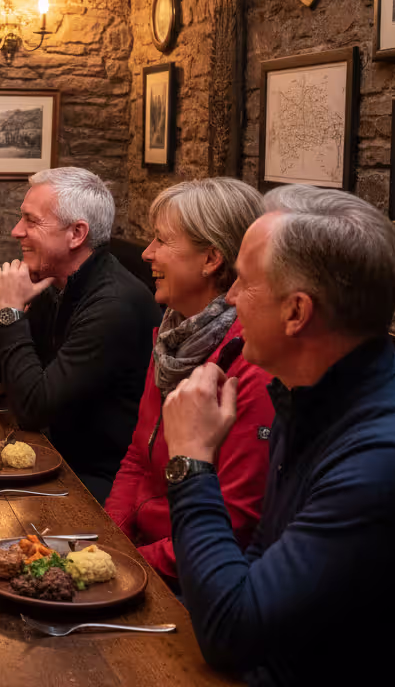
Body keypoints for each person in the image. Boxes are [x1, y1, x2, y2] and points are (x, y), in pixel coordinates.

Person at [162, 185, 395, 684]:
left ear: (297, 312)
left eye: (245, 283)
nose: (229, 298)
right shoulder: (312, 390)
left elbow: (232, 632)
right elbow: (258, 563)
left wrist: (190, 459)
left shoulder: (394, 456)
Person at [103, 179, 272, 583]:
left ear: (211, 258)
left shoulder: (251, 364)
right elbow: (136, 461)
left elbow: (235, 521)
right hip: (143, 551)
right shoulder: (173, 335)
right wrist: (106, 543)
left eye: (162, 240)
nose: (147, 253)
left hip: (195, 577)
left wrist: (127, 568)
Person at [0, 167, 162, 503]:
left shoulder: (113, 305)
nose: (16, 231)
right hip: (57, 453)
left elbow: (34, 408)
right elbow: (2, 374)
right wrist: (11, 309)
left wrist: (10, 311)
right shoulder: (58, 281)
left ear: (77, 233)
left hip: (96, 482)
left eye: (31, 221)